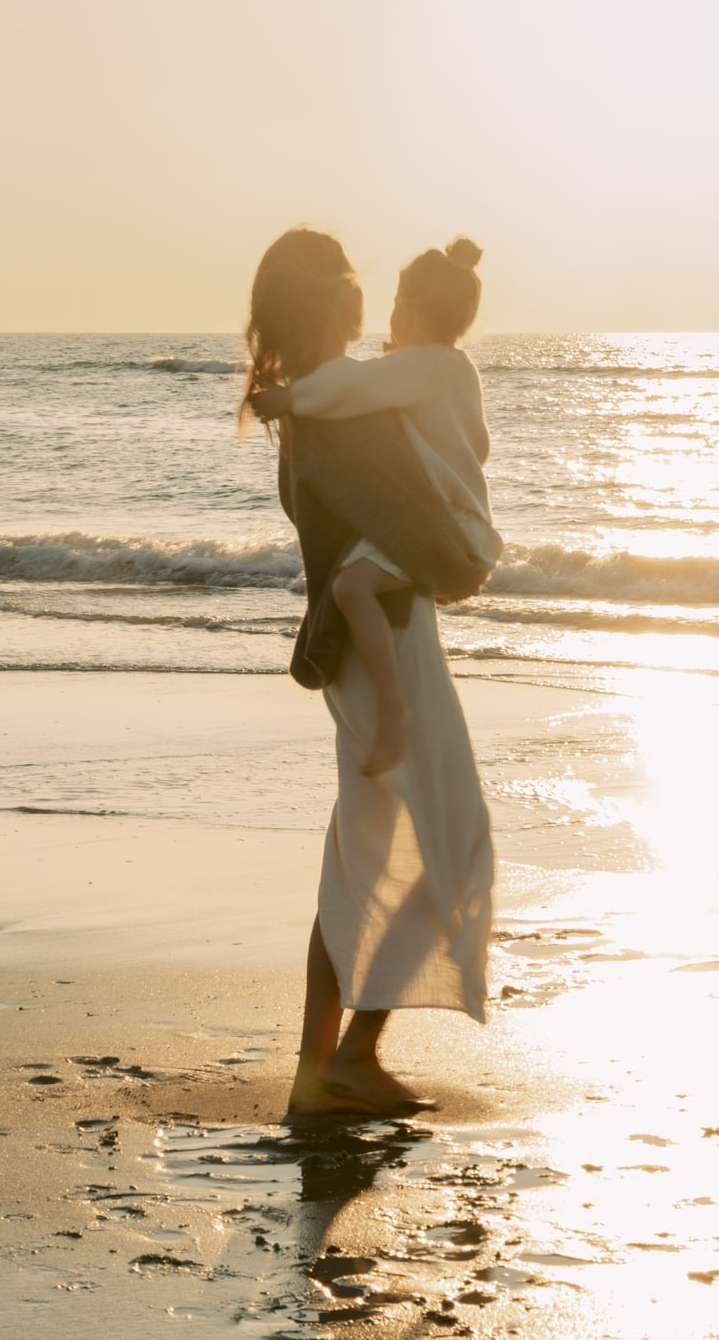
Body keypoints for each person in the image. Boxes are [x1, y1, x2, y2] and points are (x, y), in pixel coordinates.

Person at [243, 228, 494, 1117]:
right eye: (352, 277)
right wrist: (455, 561)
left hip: (365, 639)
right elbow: (408, 529)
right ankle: (347, 1060)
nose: (366, 292)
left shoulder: (324, 407)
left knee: (366, 846)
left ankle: (321, 1070)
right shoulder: (340, 412)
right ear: (330, 298)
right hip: (387, 637)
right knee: (450, 837)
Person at [251, 238, 501, 780]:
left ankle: (392, 712)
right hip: (471, 528)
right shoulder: (457, 368)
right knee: (355, 585)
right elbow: (475, 447)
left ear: (408, 311)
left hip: (443, 530)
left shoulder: (415, 368)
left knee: (351, 588)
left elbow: (352, 386)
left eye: (395, 303)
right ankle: (389, 709)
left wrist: (288, 399)